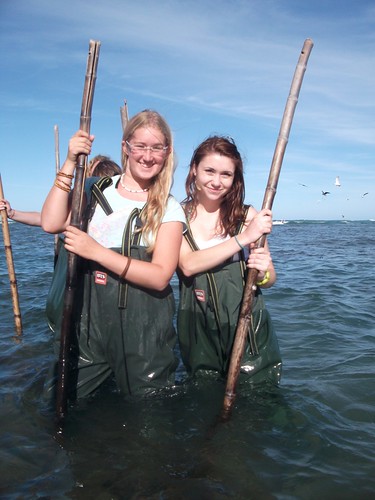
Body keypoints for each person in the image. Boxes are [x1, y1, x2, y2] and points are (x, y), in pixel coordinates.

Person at [41, 109, 185, 401]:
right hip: (88, 328)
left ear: (166, 152)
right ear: (126, 148)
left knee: (149, 413)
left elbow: (160, 277)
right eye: (140, 146)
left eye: (156, 148)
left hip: (145, 334)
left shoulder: (169, 208)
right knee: (61, 402)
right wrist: (70, 161)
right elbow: (51, 222)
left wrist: (95, 251)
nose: (148, 156)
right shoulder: (95, 190)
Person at [177, 136, 282, 385]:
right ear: (194, 170)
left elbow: (269, 280)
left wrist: (264, 270)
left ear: (235, 178)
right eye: (209, 171)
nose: (216, 181)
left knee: (260, 397)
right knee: (203, 392)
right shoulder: (176, 215)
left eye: (226, 174)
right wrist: (243, 238)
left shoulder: (248, 216)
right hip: (197, 325)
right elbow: (187, 264)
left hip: (249, 325)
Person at [0, 156, 121, 227]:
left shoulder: (85, 195)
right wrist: (12, 213)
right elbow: (48, 219)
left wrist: (12, 213)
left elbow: (47, 220)